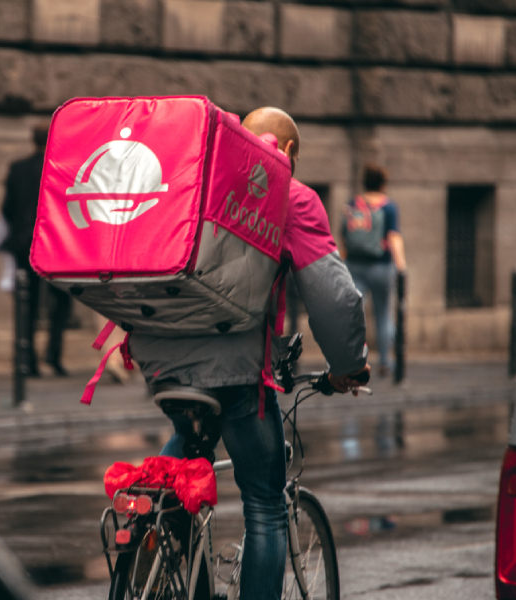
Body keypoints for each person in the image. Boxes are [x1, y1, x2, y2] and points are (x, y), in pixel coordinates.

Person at [130, 107, 370, 600]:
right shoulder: (287, 192)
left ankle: (156, 522)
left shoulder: (195, 175)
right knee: (264, 503)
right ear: (288, 153)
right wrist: (348, 367)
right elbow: (334, 296)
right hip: (236, 370)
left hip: (159, 358)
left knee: (184, 458)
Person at [0, 123, 72, 377]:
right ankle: (54, 355)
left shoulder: (18, 169)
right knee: (60, 304)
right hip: (57, 246)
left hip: (26, 245)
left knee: (26, 304)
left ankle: (27, 359)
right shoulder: (63, 169)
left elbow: (7, 208)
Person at [340, 164, 407, 378]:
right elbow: (393, 237)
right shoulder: (388, 207)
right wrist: (401, 266)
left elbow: (343, 234)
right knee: (383, 314)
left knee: (354, 314)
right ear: (382, 184)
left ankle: (351, 360)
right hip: (381, 266)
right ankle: (386, 362)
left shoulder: (353, 204)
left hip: (354, 265)